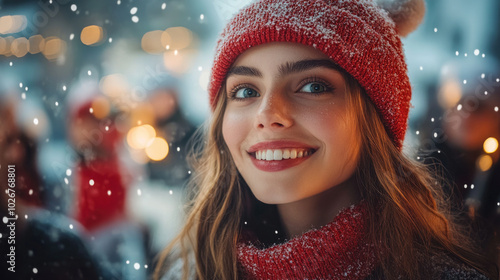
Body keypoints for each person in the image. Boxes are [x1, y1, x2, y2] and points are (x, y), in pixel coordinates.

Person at [154, 0, 498, 279]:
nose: (267, 113)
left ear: (375, 116)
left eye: (313, 86)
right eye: (245, 90)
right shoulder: (189, 272)